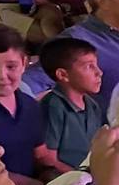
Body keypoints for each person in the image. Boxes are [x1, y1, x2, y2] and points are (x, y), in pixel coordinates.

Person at [0, 23, 63, 185]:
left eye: (11, 67)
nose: (2, 75)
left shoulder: (30, 105)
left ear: (24, 64)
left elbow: (41, 155)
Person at [37, 37, 106, 169]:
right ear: (63, 75)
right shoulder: (53, 105)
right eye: (89, 66)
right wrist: (81, 179)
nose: (99, 72)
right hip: (63, 179)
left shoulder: (92, 105)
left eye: (96, 65)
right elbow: (47, 159)